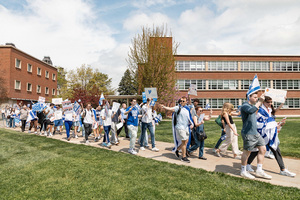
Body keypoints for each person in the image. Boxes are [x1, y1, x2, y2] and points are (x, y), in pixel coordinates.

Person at [246, 96, 296, 177]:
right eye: (268, 102)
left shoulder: (268, 110)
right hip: (262, 134)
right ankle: (247, 165)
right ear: (263, 102)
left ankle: (282, 169)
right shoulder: (260, 110)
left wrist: (278, 123)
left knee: (275, 150)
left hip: (269, 134)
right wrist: (275, 124)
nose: (270, 104)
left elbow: (269, 121)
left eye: (270, 102)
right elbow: (260, 123)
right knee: (256, 150)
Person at [240, 92, 272, 179]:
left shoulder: (253, 106)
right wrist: (260, 101)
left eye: (257, 97)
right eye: (254, 97)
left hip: (255, 133)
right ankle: (243, 171)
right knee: (247, 152)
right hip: (248, 133)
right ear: (248, 97)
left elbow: (255, 110)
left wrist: (260, 102)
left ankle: (259, 170)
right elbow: (251, 111)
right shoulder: (245, 105)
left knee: (263, 149)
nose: (256, 99)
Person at [161, 96, 194, 163]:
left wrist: (192, 124)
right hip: (180, 128)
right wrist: (164, 107)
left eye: (183, 101)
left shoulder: (186, 109)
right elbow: (171, 109)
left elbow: (188, 118)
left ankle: (177, 150)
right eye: (181, 101)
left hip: (186, 127)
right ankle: (183, 157)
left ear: (186, 102)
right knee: (184, 142)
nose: (181, 102)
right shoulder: (178, 108)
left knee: (186, 141)